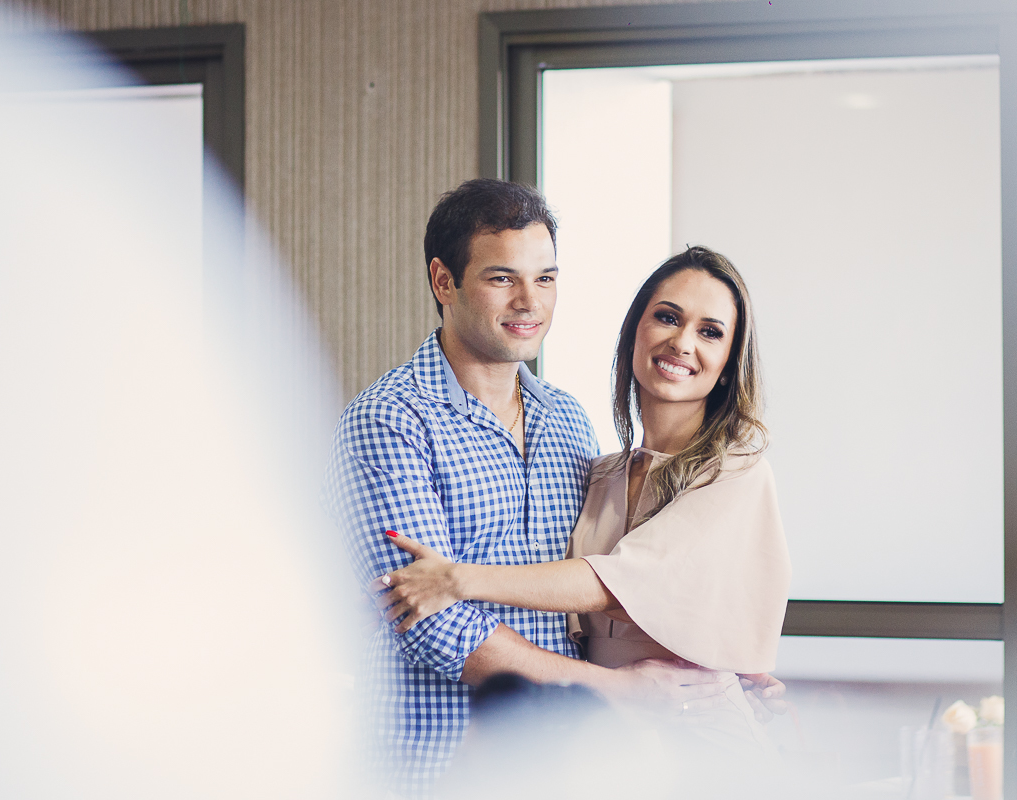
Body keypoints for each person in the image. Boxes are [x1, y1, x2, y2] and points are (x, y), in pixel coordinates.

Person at [323, 181, 735, 799]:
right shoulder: (388, 421)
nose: (529, 302)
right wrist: (617, 690)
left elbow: (603, 592)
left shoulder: (567, 419)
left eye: (545, 279)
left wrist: (723, 676)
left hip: (558, 768)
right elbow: (436, 626)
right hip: (436, 766)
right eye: (501, 279)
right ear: (443, 282)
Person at [371, 246, 791, 756]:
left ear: (727, 363)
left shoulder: (737, 471)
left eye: (710, 332)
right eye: (667, 317)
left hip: (696, 731)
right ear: (636, 330)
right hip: (608, 737)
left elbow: (614, 584)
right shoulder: (601, 473)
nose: (682, 343)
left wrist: (454, 579)